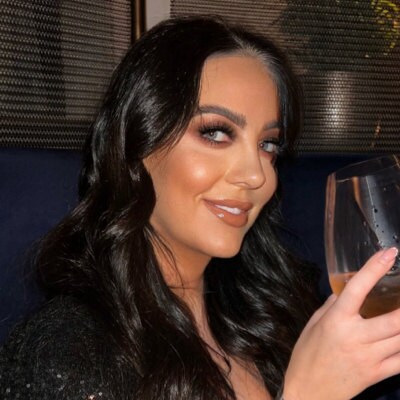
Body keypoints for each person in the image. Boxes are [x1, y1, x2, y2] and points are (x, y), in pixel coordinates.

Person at [1, 15, 400, 400]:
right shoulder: (66, 351)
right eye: (216, 133)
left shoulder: (266, 313)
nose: (256, 175)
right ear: (136, 145)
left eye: (268, 145)